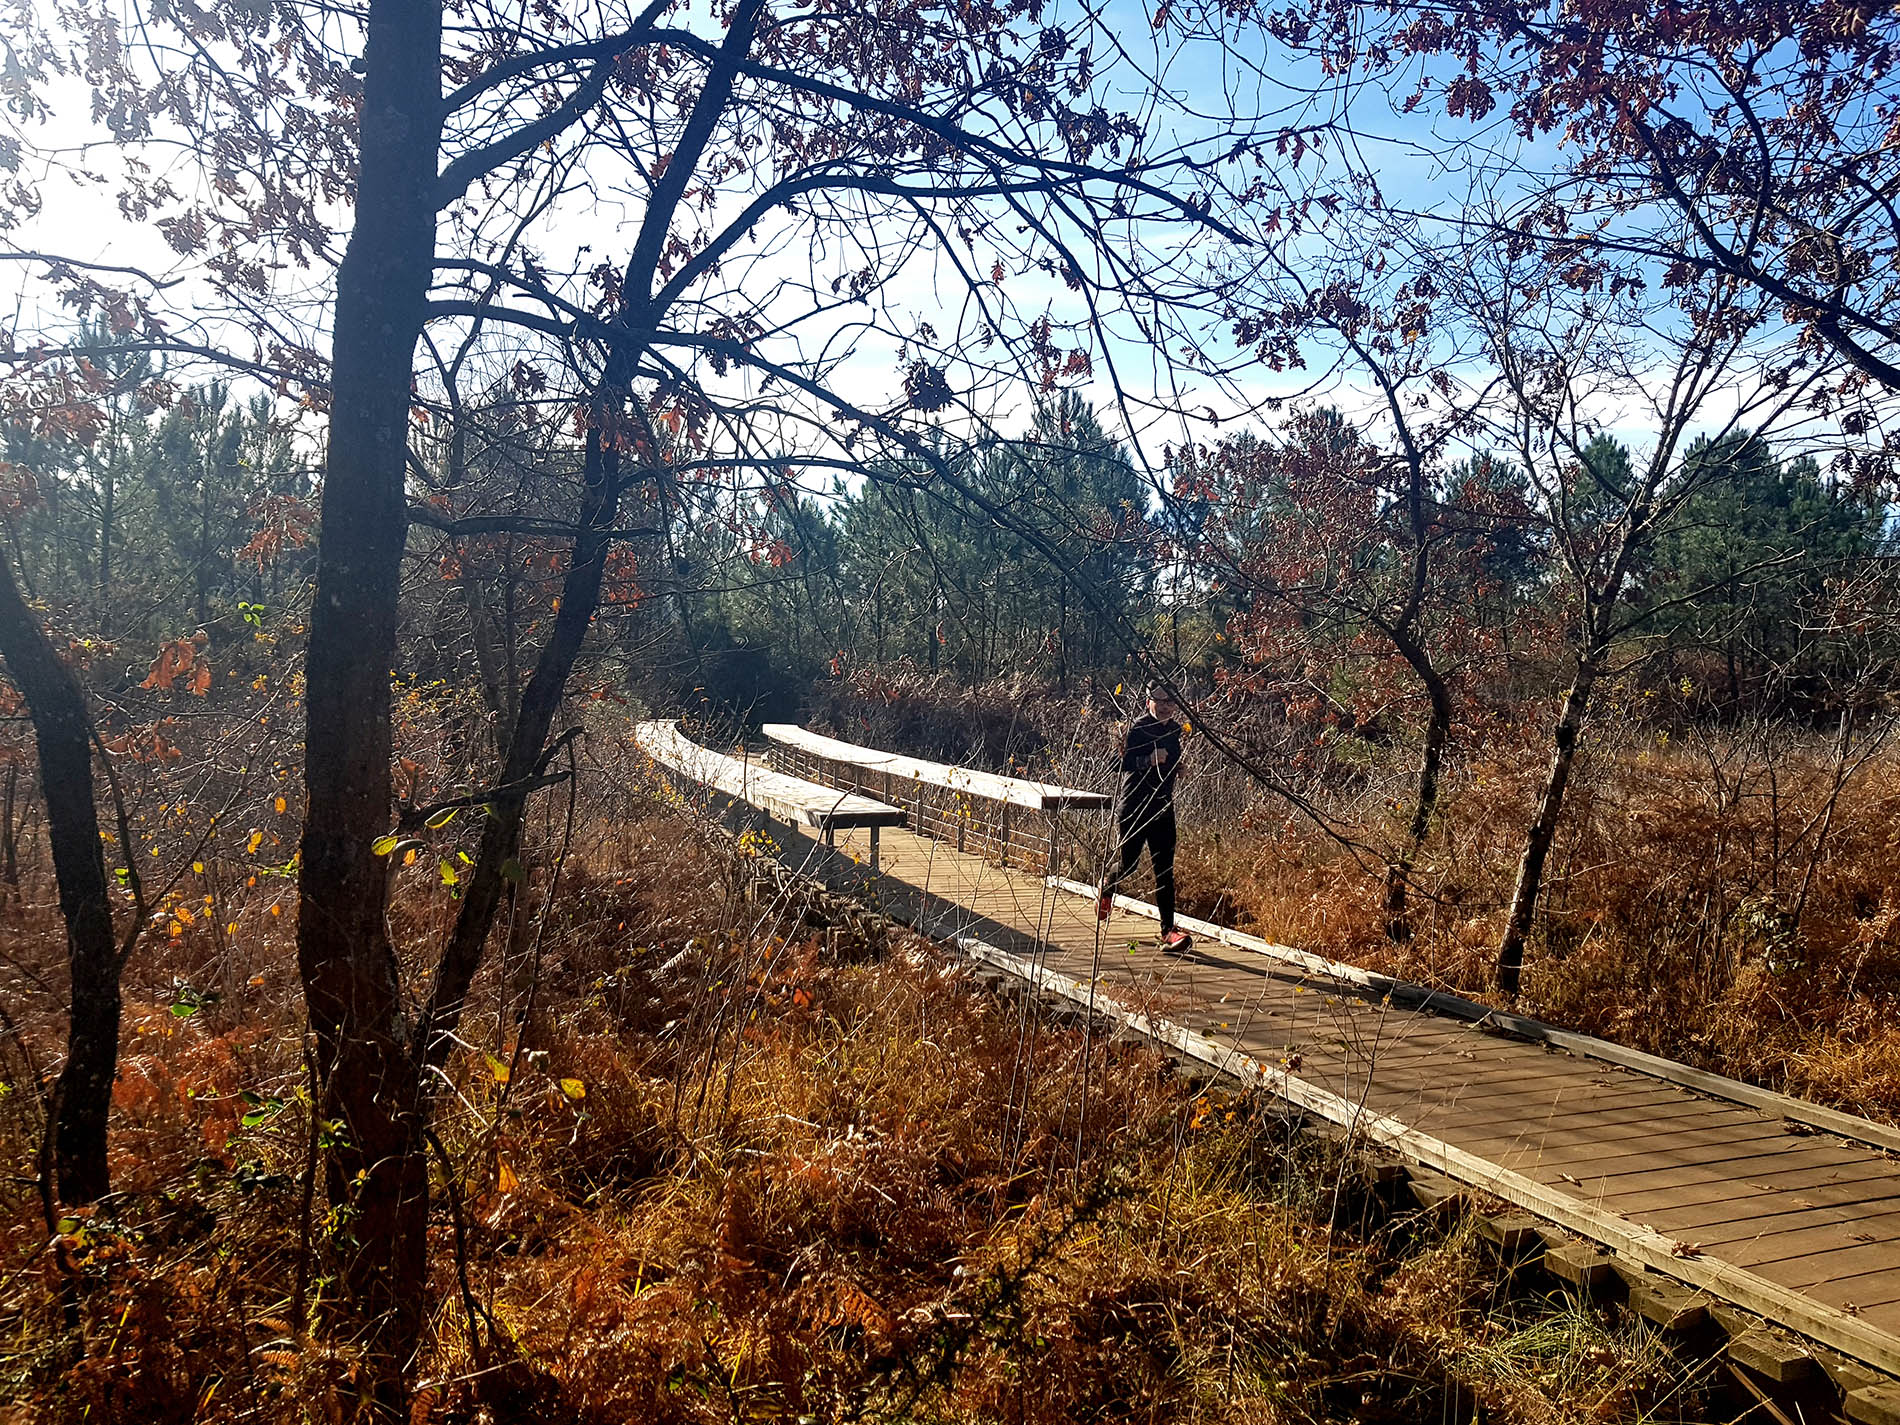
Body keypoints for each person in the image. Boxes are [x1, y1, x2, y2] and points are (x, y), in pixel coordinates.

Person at [1098, 683, 1192, 952]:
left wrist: (1178, 768)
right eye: (1160, 700)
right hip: (1135, 807)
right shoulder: (1136, 728)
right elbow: (1115, 764)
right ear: (1148, 701)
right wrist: (1147, 760)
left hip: (1163, 807)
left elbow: (1168, 762)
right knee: (1129, 865)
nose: (1165, 706)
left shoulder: (1174, 730)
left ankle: (1168, 932)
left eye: (1170, 702)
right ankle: (1107, 886)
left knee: (1165, 871)